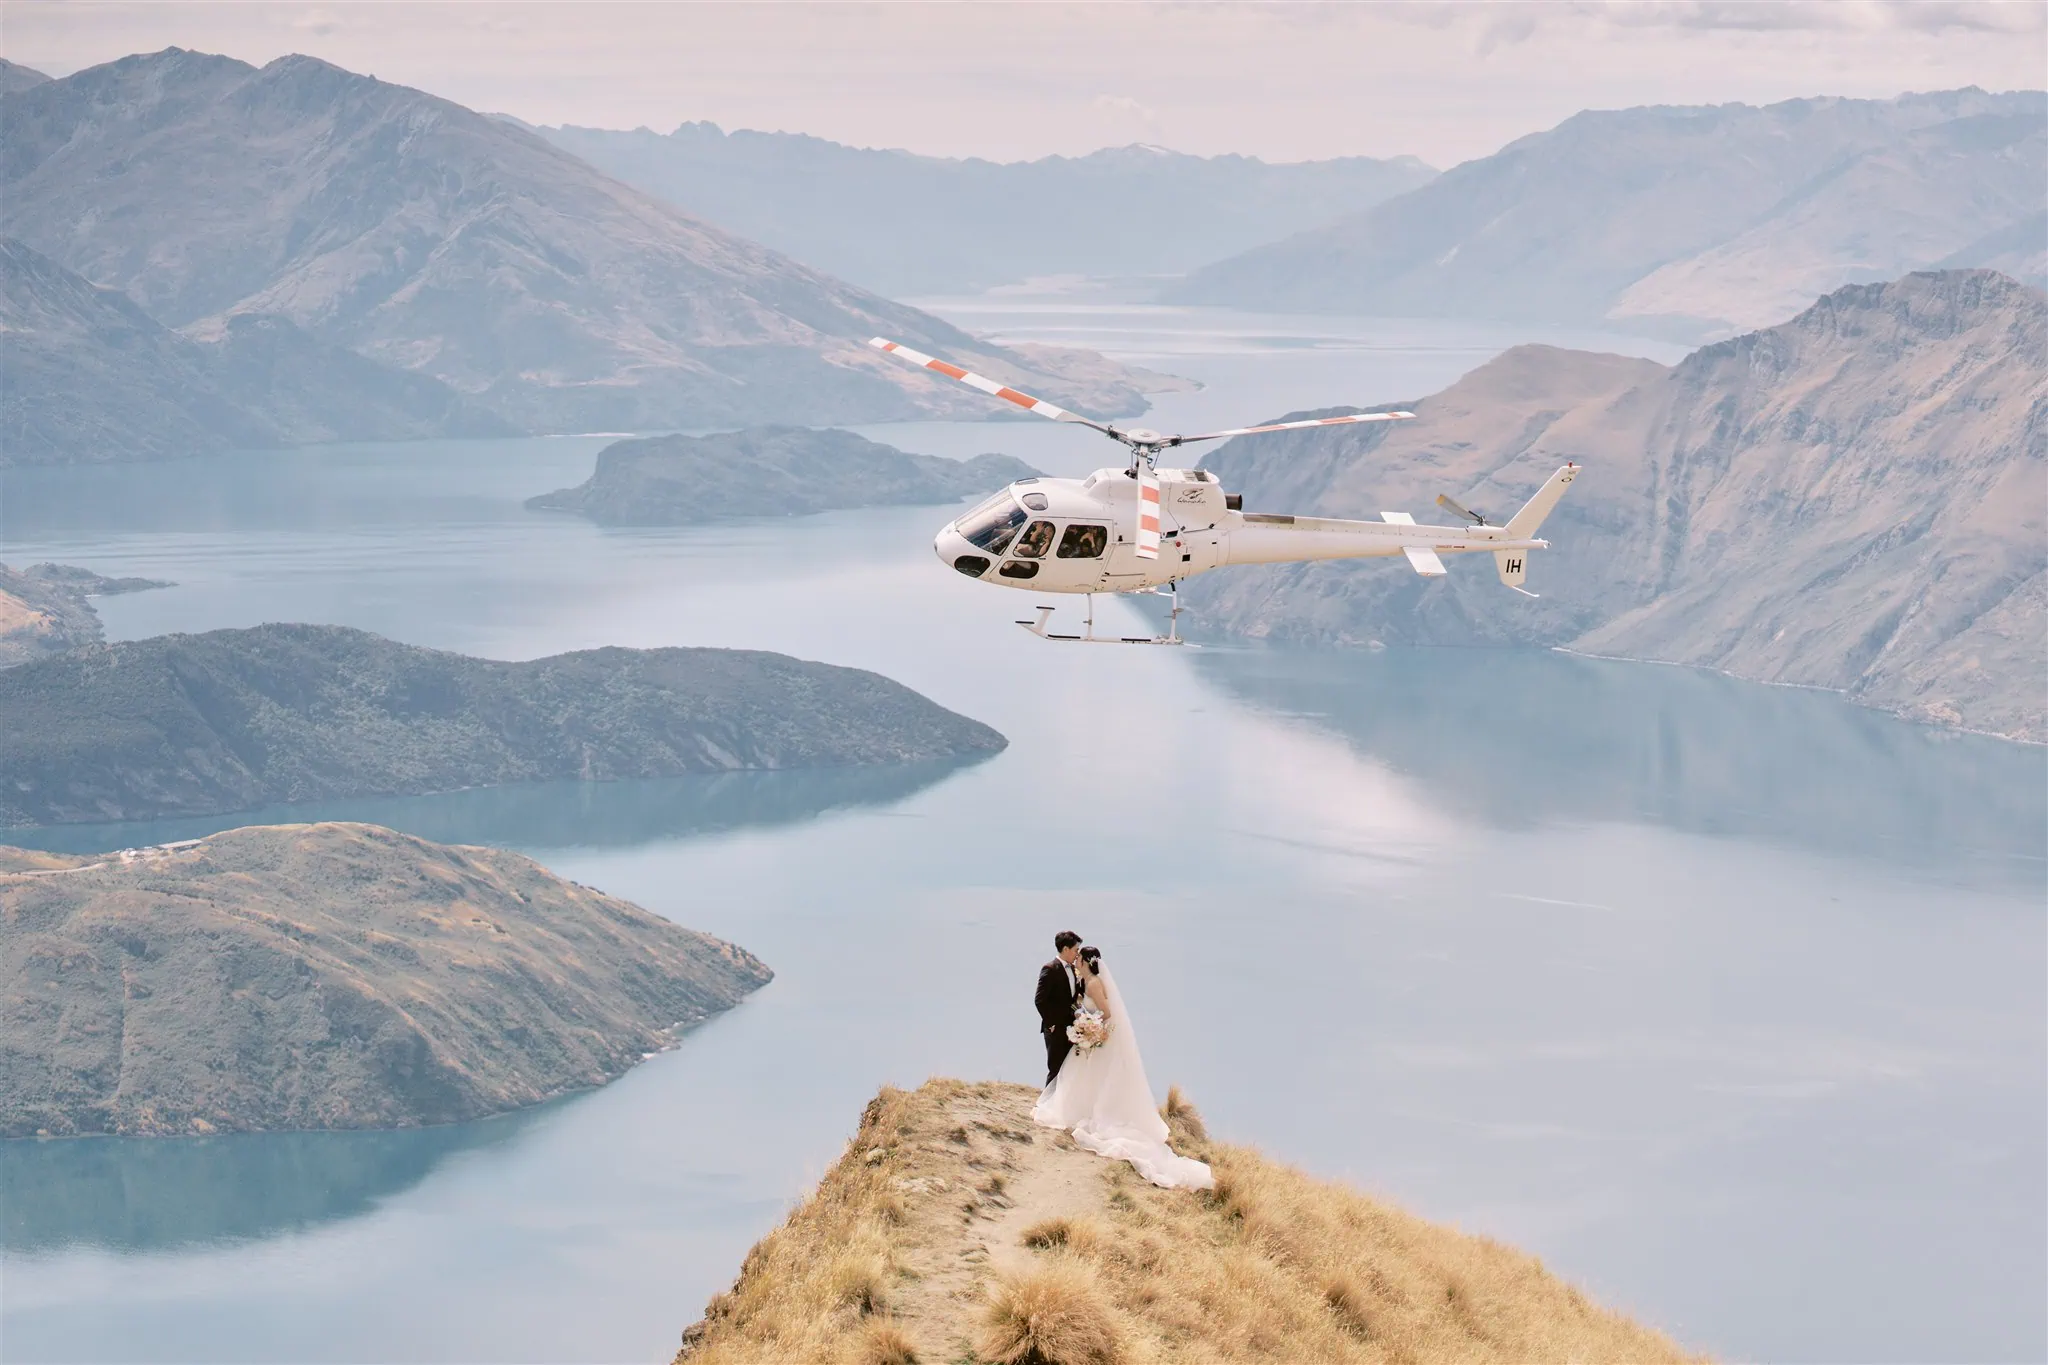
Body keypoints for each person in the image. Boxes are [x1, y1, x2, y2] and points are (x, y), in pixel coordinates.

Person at [1030, 943, 1213, 1191]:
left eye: (1079, 958)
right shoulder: (1083, 981)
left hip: (1096, 1037)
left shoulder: (1094, 983)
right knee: (1080, 1074)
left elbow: (1107, 1012)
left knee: (1092, 1075)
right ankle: (1082, 1109)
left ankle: (1094, 1114)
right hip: (1088, 1039)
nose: (1076, 961)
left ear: (1086, 961)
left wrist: (1090, 1026)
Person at [1035, 931, 1085, 1086]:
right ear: (1065, 949)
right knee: (1055, 1069)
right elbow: (1040, 1000)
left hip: (1071, 1028)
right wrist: (1051, 1024)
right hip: (1055, 1029)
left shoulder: (1074, 970)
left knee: (1069, 1069)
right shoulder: (1050, 968)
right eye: (1076, 950)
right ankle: (1044, 1107)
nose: (1077, 954)